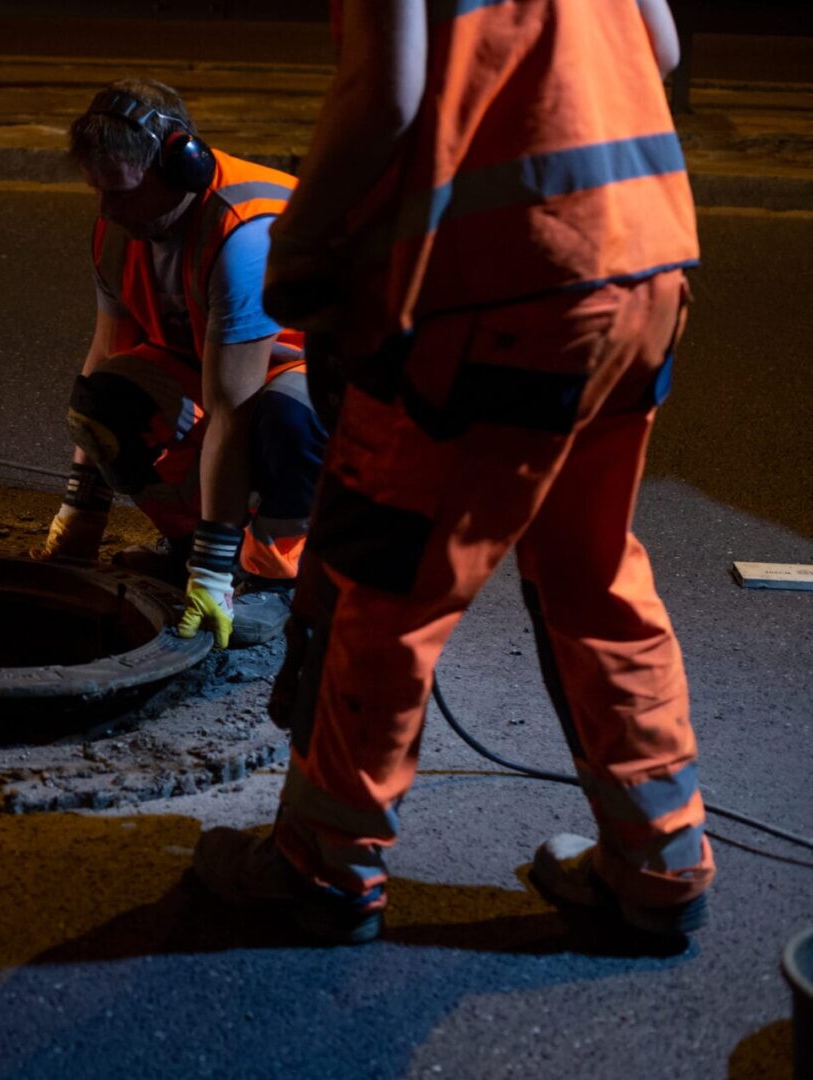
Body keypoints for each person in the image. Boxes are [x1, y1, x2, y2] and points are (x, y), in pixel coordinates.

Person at [192, 0, 712, 947]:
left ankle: (323, 868)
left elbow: (383, 95)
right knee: (593, 571)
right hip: (645, 264)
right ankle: (660, 865)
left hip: (504, 288)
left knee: (388, 584)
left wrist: (299, 245)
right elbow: (662, 47)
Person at [33, 80, 328, 650]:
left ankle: (276, 576)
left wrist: (211, 573)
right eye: (97, 190)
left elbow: (232, 409)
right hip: (232, 370)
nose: (107, 210)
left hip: (332, 383)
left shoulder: (244, 233)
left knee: (285, 415)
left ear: (181, 167)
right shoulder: (119, 230)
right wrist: (81, 510)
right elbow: (105, 359)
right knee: (106, 401)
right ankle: (194, 549)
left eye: (120, 191)